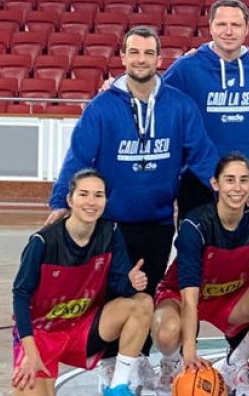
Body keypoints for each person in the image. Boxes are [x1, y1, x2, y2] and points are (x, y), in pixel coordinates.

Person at [48, 26, 219, 303]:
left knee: (146, 296)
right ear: (123, 58)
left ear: (159, 60)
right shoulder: (101, 107)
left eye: (149, 53)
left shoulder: (181, 106)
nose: (142, 59)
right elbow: (78, 157)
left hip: (159, 223)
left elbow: (202, 155)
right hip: (110, 223)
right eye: (135, 52)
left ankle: (137, 349)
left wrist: (227, 191)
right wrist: (60, 202)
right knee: (109, 298)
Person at [150, 154, 249, 394]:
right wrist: (189, 354)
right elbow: (190, 295)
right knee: (166, 332)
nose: (237, 188)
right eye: (230, 180)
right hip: (182, 296)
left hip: (230, 297)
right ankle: (172, 365)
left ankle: (234, 364)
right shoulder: (195, 225)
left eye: (244, 180)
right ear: (215, 184)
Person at [12, 170, 153, 396]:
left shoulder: (110, 231)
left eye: (98, 195)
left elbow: (118, 285)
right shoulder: (42, 242)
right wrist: (29, 351)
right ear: (70, 200)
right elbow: (20, 297)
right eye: (84, 194)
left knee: (142, 302)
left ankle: (117, 387)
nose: (91, 202)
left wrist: (131, 282)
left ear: (106, 200)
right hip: (42, 334)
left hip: (83, 328)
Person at [162, 0, 249, 218]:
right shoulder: (186, 68)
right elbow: (153, 97)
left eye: (236, 25)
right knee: (194, 250)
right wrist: (116, 84)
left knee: (243, 249)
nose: (229, 31)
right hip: (198, 181)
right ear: (210, 27)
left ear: (247, 29)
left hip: (244, 182)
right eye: (222, 24)